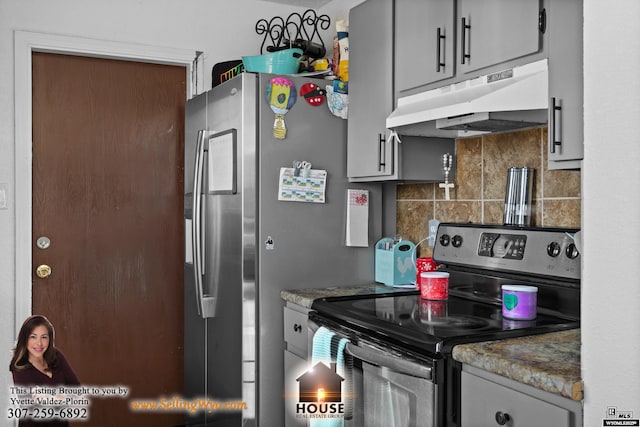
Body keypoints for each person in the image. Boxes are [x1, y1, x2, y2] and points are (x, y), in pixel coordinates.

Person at [9, 315, 80, 426]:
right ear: (25, 339)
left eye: (44, 337)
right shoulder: (20, 366)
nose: (39, 343)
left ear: (49, 339)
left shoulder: (56, 356)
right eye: (33, 337)